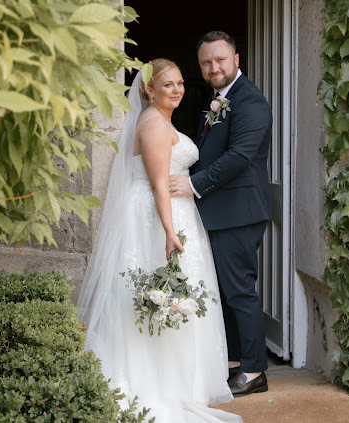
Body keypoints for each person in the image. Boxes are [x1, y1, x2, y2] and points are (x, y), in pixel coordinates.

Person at [77, 59, 241, 423]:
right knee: (163, 293)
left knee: (176, 298)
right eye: (168, 84)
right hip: (158, 216)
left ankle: (181, 380)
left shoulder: (160, 119)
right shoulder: (152, 124)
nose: (177, 89)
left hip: (174, 213)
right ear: (149, 90)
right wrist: (169, 231)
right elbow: (158, 184)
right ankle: (159, 381)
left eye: (180, 82)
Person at [169, 31, 272, 397]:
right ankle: (232, 362)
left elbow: (239, 157)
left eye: (220, 60)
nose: (214, 68)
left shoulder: (250, 102)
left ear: (236, 59)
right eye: (206, 63)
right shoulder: (220, 99)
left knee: (240, 291)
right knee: (224, 291)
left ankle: (255, 369)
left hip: (238, 213)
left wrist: (193, 185)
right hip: (219, 211)